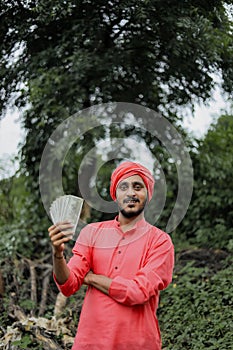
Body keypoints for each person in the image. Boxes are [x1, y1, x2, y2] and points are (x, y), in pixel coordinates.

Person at [48, 161, 174, 350]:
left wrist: (90, 277)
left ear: (147, 194)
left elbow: (137, 292)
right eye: (124, 187)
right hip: (90, 343)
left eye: (137, 187)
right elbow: (69, 285)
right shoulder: (92, 232)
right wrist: (57, 254)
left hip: (138, 344)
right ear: (115, 195)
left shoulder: (160, 241)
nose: (131, 192)